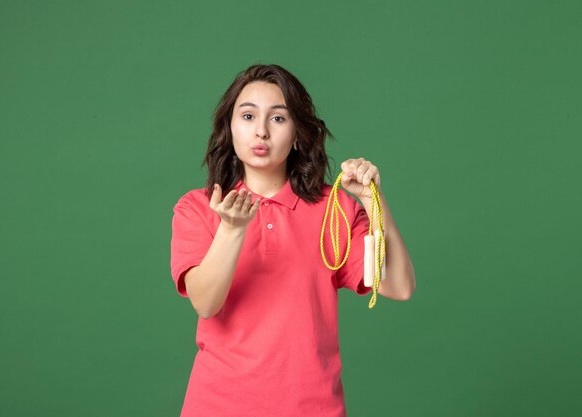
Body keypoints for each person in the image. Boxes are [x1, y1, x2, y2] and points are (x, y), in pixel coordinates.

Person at [170, 63, 416, 417]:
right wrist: (232, 229)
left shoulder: (335, 209)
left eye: (279, 119)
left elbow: (399, 286)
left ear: (299, 134)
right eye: (248, 116)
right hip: (217, 406)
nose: (261, 132)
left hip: (313, 408)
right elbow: (206, 304)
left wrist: (372, 201)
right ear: (230, 128)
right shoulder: (197, 207)